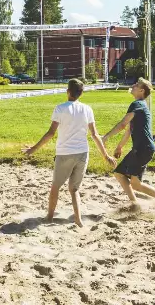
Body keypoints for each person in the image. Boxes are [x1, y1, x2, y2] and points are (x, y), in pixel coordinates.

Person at [22, 78, 116, 226]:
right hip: (83, 153)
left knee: (55, 187)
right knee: (74, 189)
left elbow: (50, 133)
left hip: (64, 153)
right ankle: (78, 220)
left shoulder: (60, 108)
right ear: (81, 93)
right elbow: (95, 135)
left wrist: (34, 148)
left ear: (68, 92)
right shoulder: (87, 109)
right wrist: (106, 155)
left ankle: (49, 217)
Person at [102, 78, 155, 219]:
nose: (133, 85)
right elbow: (129, 130)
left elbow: (123, 124)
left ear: (141, 91)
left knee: (122, 175)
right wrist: (119, 147)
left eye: (136, 85)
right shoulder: (141, 105)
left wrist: (105, 137)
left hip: (142, 148)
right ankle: (150, 203)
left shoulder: (137, 104)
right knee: (133, 182)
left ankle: (140, 203)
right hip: (144, 148)